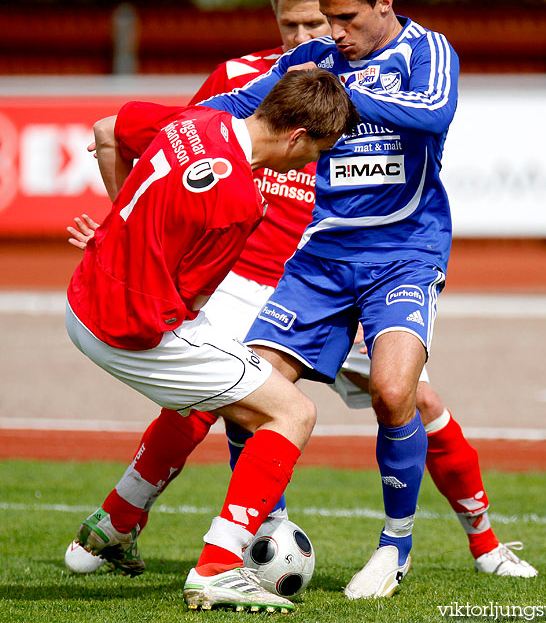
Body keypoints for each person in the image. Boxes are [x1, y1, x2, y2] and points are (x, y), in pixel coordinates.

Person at [65, 0, 536, 592]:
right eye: (304, 22)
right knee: (251, 392)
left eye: (336, 20)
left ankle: (421, 548)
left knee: (401, 392)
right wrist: (151, 170)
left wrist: (336, 96)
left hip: (401, 250)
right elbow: (235, 112)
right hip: (313, 260)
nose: (323, 34)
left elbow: (431, 115)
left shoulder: (423, 54)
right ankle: (227, 540)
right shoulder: (301, 71)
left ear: (383, 6)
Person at [65, 68, 359, 613]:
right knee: (290, 412)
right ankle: (218, 568)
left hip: (82, 297)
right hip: (126, 328)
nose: (312, 163)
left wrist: (114, 233)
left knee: (228, 398)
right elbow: (191, 299)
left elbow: (107, 133)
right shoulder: (241, 204)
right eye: (317, 150)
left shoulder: (199, 120)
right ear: (296, 136)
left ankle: (116, 523)